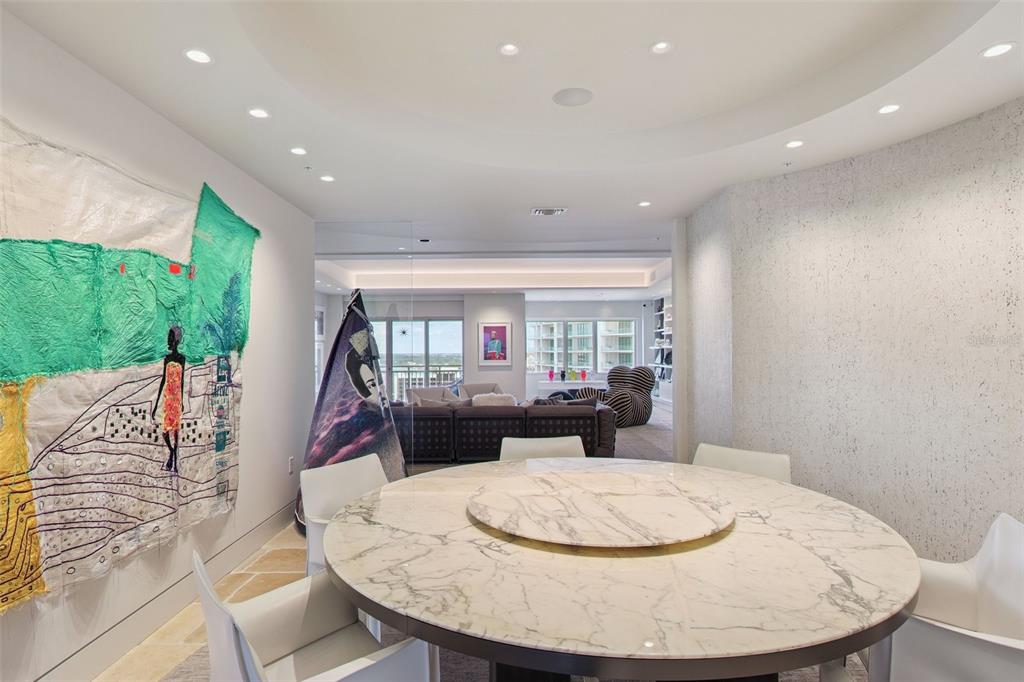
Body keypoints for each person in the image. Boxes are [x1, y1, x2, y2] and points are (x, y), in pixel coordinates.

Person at [152, 326, 185, 473]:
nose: (168, 340)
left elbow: (182, 382)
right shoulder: (167, 359)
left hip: (176, 399)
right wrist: (156, 404)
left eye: (171, 337)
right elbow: (163, 381)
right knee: (165, 432)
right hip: (168, 399)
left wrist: (182, 401)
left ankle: (175, 459)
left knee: (176, 431)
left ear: (176, 340)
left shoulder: (182, 359)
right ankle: (171, 451)